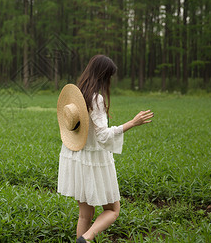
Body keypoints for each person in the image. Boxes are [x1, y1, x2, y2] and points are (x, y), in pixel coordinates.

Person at [57, 55, 154, 242]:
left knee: (85, 215)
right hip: (93, 161)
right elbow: (102, 136)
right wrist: (132, 123)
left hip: (76, 156)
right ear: (104, 76)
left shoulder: (77, 96)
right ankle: (87, 238)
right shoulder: (96, 99)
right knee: (113, 210)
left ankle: (82, 240)